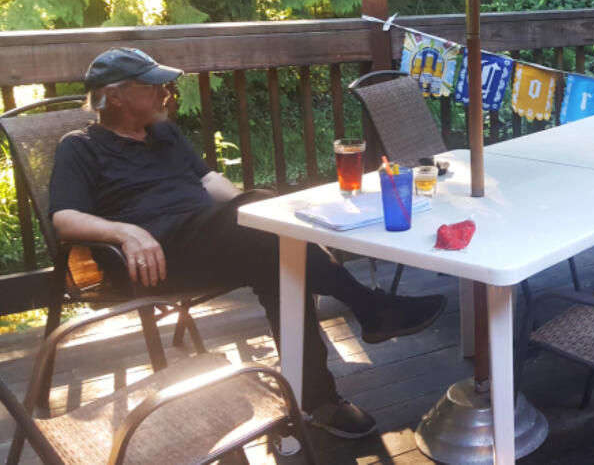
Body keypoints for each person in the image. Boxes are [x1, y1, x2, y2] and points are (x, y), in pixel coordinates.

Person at [48, 48, 446, 439]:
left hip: (207, 239)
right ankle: (369, 309)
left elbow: (208, 181)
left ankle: (317, 399)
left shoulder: (164, 133)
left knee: (278, 258)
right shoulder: (80, 146)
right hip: (156, 256)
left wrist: (260, 211)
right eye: (152, 87)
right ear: (115, 96)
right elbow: (64, 217)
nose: (166, 93)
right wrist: (125, 232)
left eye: (165, 85)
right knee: (274, 242)